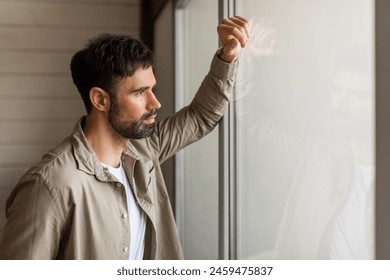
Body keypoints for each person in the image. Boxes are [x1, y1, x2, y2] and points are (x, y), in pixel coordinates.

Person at [0, 16, 249, 260]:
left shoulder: (145, 149)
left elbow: (200, 117)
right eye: (140, 92)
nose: (156, 102)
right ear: (100, 100)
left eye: (152, 89)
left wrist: (227, 56)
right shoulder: (49, 184)